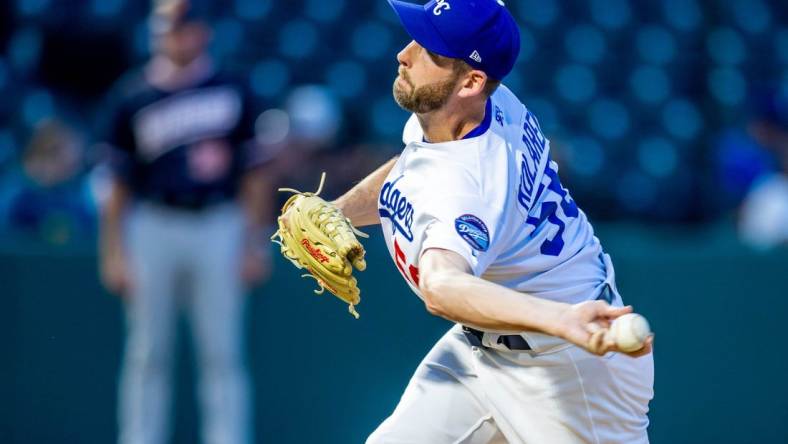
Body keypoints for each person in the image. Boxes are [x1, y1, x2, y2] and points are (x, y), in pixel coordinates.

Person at [330, 1, 655, 442]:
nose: (404, 54)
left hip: (568, 366)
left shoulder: (471, 183)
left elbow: (442, 287)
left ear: (470, 81)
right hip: (485, 348)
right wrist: (338, 213)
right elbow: (414, 168)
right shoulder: (475, 108)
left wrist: (560, 320)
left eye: (431, 50)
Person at [98, 1, 272, 443]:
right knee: (147, 352)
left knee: (222, 351)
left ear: (201, 32)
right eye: (167, 28)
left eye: (183, 28)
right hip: (153, 222)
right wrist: (113, 251)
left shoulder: (233, 87)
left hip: (219, 221)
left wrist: (254, 242)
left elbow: (256, 175)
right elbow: (115, 187)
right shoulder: (132, 96)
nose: (175, 36)